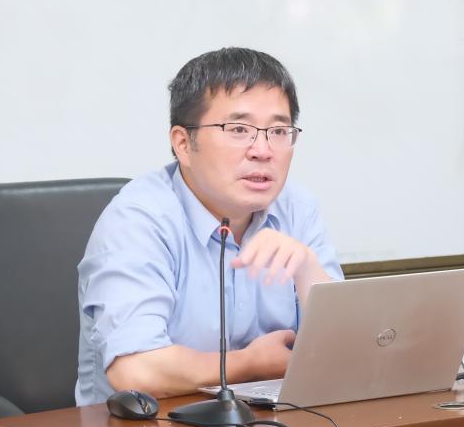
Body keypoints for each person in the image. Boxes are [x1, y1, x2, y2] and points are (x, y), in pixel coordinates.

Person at [75, 48, 343, 405]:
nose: (263, 150)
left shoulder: (297, 208)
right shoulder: (137, 218)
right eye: (239, 129)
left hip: (273, 426)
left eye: (279, 131)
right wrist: (250, 364)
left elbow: (350, 355)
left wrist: (308, 270)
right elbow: (136, 371)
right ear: (183, 144)